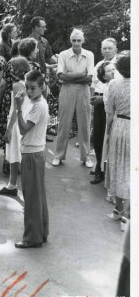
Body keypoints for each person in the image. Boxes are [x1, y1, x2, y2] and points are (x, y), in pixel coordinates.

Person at [13, 70, 49, 248]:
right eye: (27, 87)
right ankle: (41, 232)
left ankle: (32, 238)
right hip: (35, 153)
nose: (28, 91)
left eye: (33, 88)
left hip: (32, 155)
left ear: (41, 87)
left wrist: (18, 108)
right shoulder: (36, 101)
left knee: (31, 198)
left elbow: (23, 129)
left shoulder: (38, 106)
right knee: (37, 195)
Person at [52, 29, 95, 167]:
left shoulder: (89, 54)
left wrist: (70, 76)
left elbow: (89, 78)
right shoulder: (64, 54)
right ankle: (58, 155)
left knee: (84, 124)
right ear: (70, 41)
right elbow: (60, 76)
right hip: (67, 91)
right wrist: (80, 75)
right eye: (74, 40)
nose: (76, 43)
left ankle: (86, 157)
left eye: (79, 40)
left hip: (83, 91)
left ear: (83, 41)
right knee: (64, 123)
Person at [0, 57, 31, 196]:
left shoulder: (17, 85)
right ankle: (12, 184)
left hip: (15, 122)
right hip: (24, 120)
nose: (10, 70)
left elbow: (16, 109)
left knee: (15, 155)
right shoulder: (27, 83)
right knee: (17, 155)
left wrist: (8, 130)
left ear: (17, 69)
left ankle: (15, 186)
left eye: (12, 67)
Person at [104, 52, 130, 228]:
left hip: (119, 126)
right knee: (130, 169)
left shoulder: (113, 84)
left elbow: (110, 112)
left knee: (118, 165)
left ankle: (119, 210)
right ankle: (127, 214)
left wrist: (107, 132)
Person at [89, 61, 115, 185]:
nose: (113, 72)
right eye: (109, 71)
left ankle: (106, 170)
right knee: (98, 138)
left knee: (108, 139)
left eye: (113, 70)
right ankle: (100, 167)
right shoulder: (100, 66)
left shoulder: (117, 81)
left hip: (110, 109)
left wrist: (102, 99)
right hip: (100, 108)